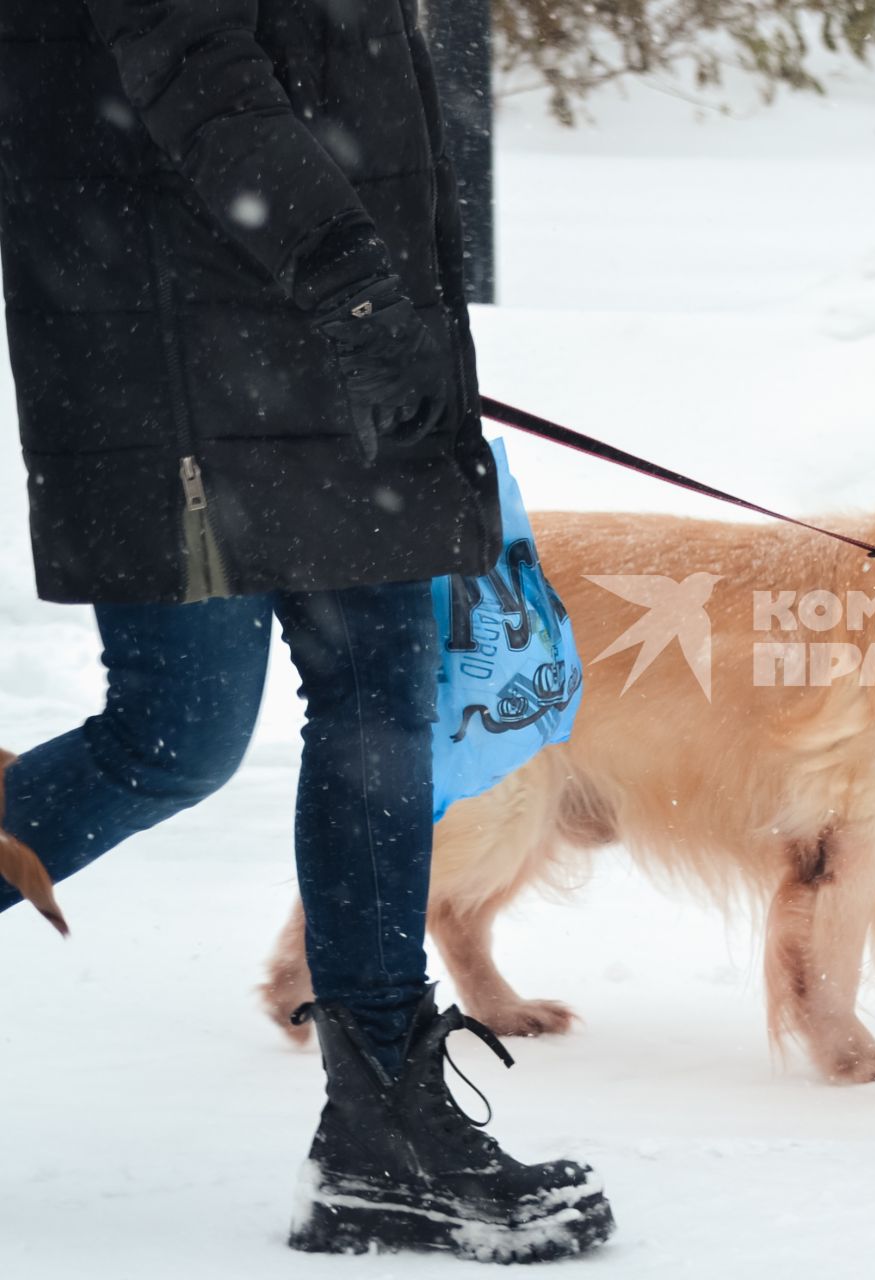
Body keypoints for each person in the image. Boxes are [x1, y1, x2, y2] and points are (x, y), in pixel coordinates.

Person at [0, 0, 614, 1262]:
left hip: (317, 351)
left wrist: (388, 311)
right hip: (179, 358)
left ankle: (383, 1128)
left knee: (378, 703)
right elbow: (200, 77)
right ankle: (384, 1128)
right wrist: (358, 293)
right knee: (170, 738)